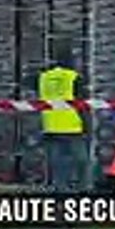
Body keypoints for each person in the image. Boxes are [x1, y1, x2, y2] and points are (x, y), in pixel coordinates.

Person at [37, 38, 88, 192]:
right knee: (82, 161)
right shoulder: (74, 77)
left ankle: (60, 193)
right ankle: (82, 190)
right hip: (71, 126)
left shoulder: (44, 77)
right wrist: (87, 124)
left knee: (57, 163)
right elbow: (82, 104)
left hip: (50, 125)